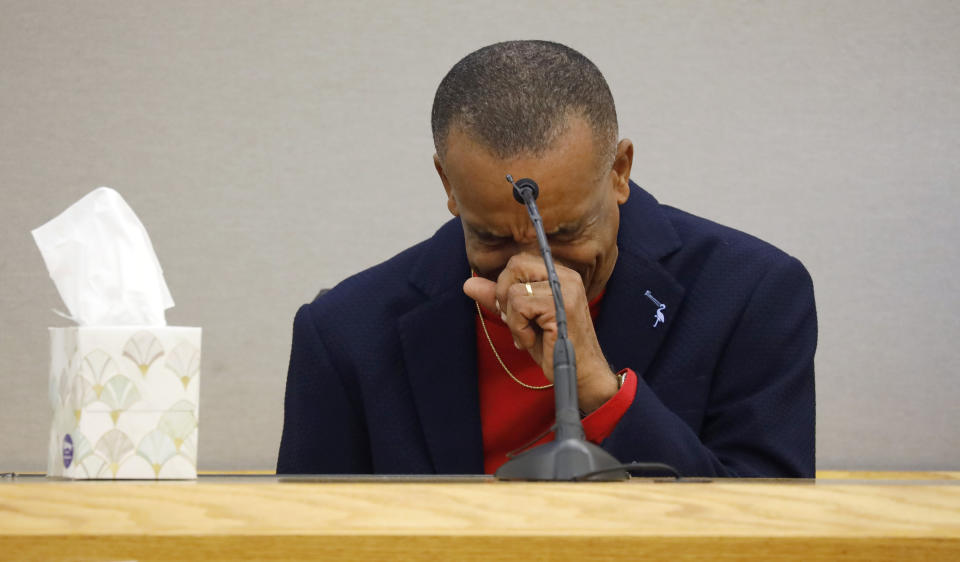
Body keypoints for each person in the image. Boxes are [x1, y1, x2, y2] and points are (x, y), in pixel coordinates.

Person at [277, 40, 817, 478]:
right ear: (447, 184)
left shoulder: (752, 293)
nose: (530, 265)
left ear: (620, 170)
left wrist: (600, 389)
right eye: (492, 237)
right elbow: (305, 536)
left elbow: (771, 529)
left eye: (564, 232)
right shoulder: (346, 332)